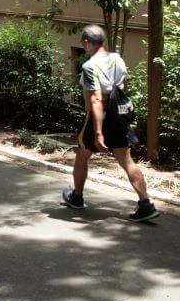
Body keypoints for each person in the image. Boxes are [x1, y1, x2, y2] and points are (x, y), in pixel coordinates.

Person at [61, 24, 159, 222]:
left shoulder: (89, 67)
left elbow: (96, 99)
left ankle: (77, 197)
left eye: (84, 43)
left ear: (87, 43)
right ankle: (145, 205)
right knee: (126, 160)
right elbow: (124, 85)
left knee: (82, 156)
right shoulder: (117, 59)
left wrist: (98, 132)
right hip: (118, 116)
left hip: (97, 118)